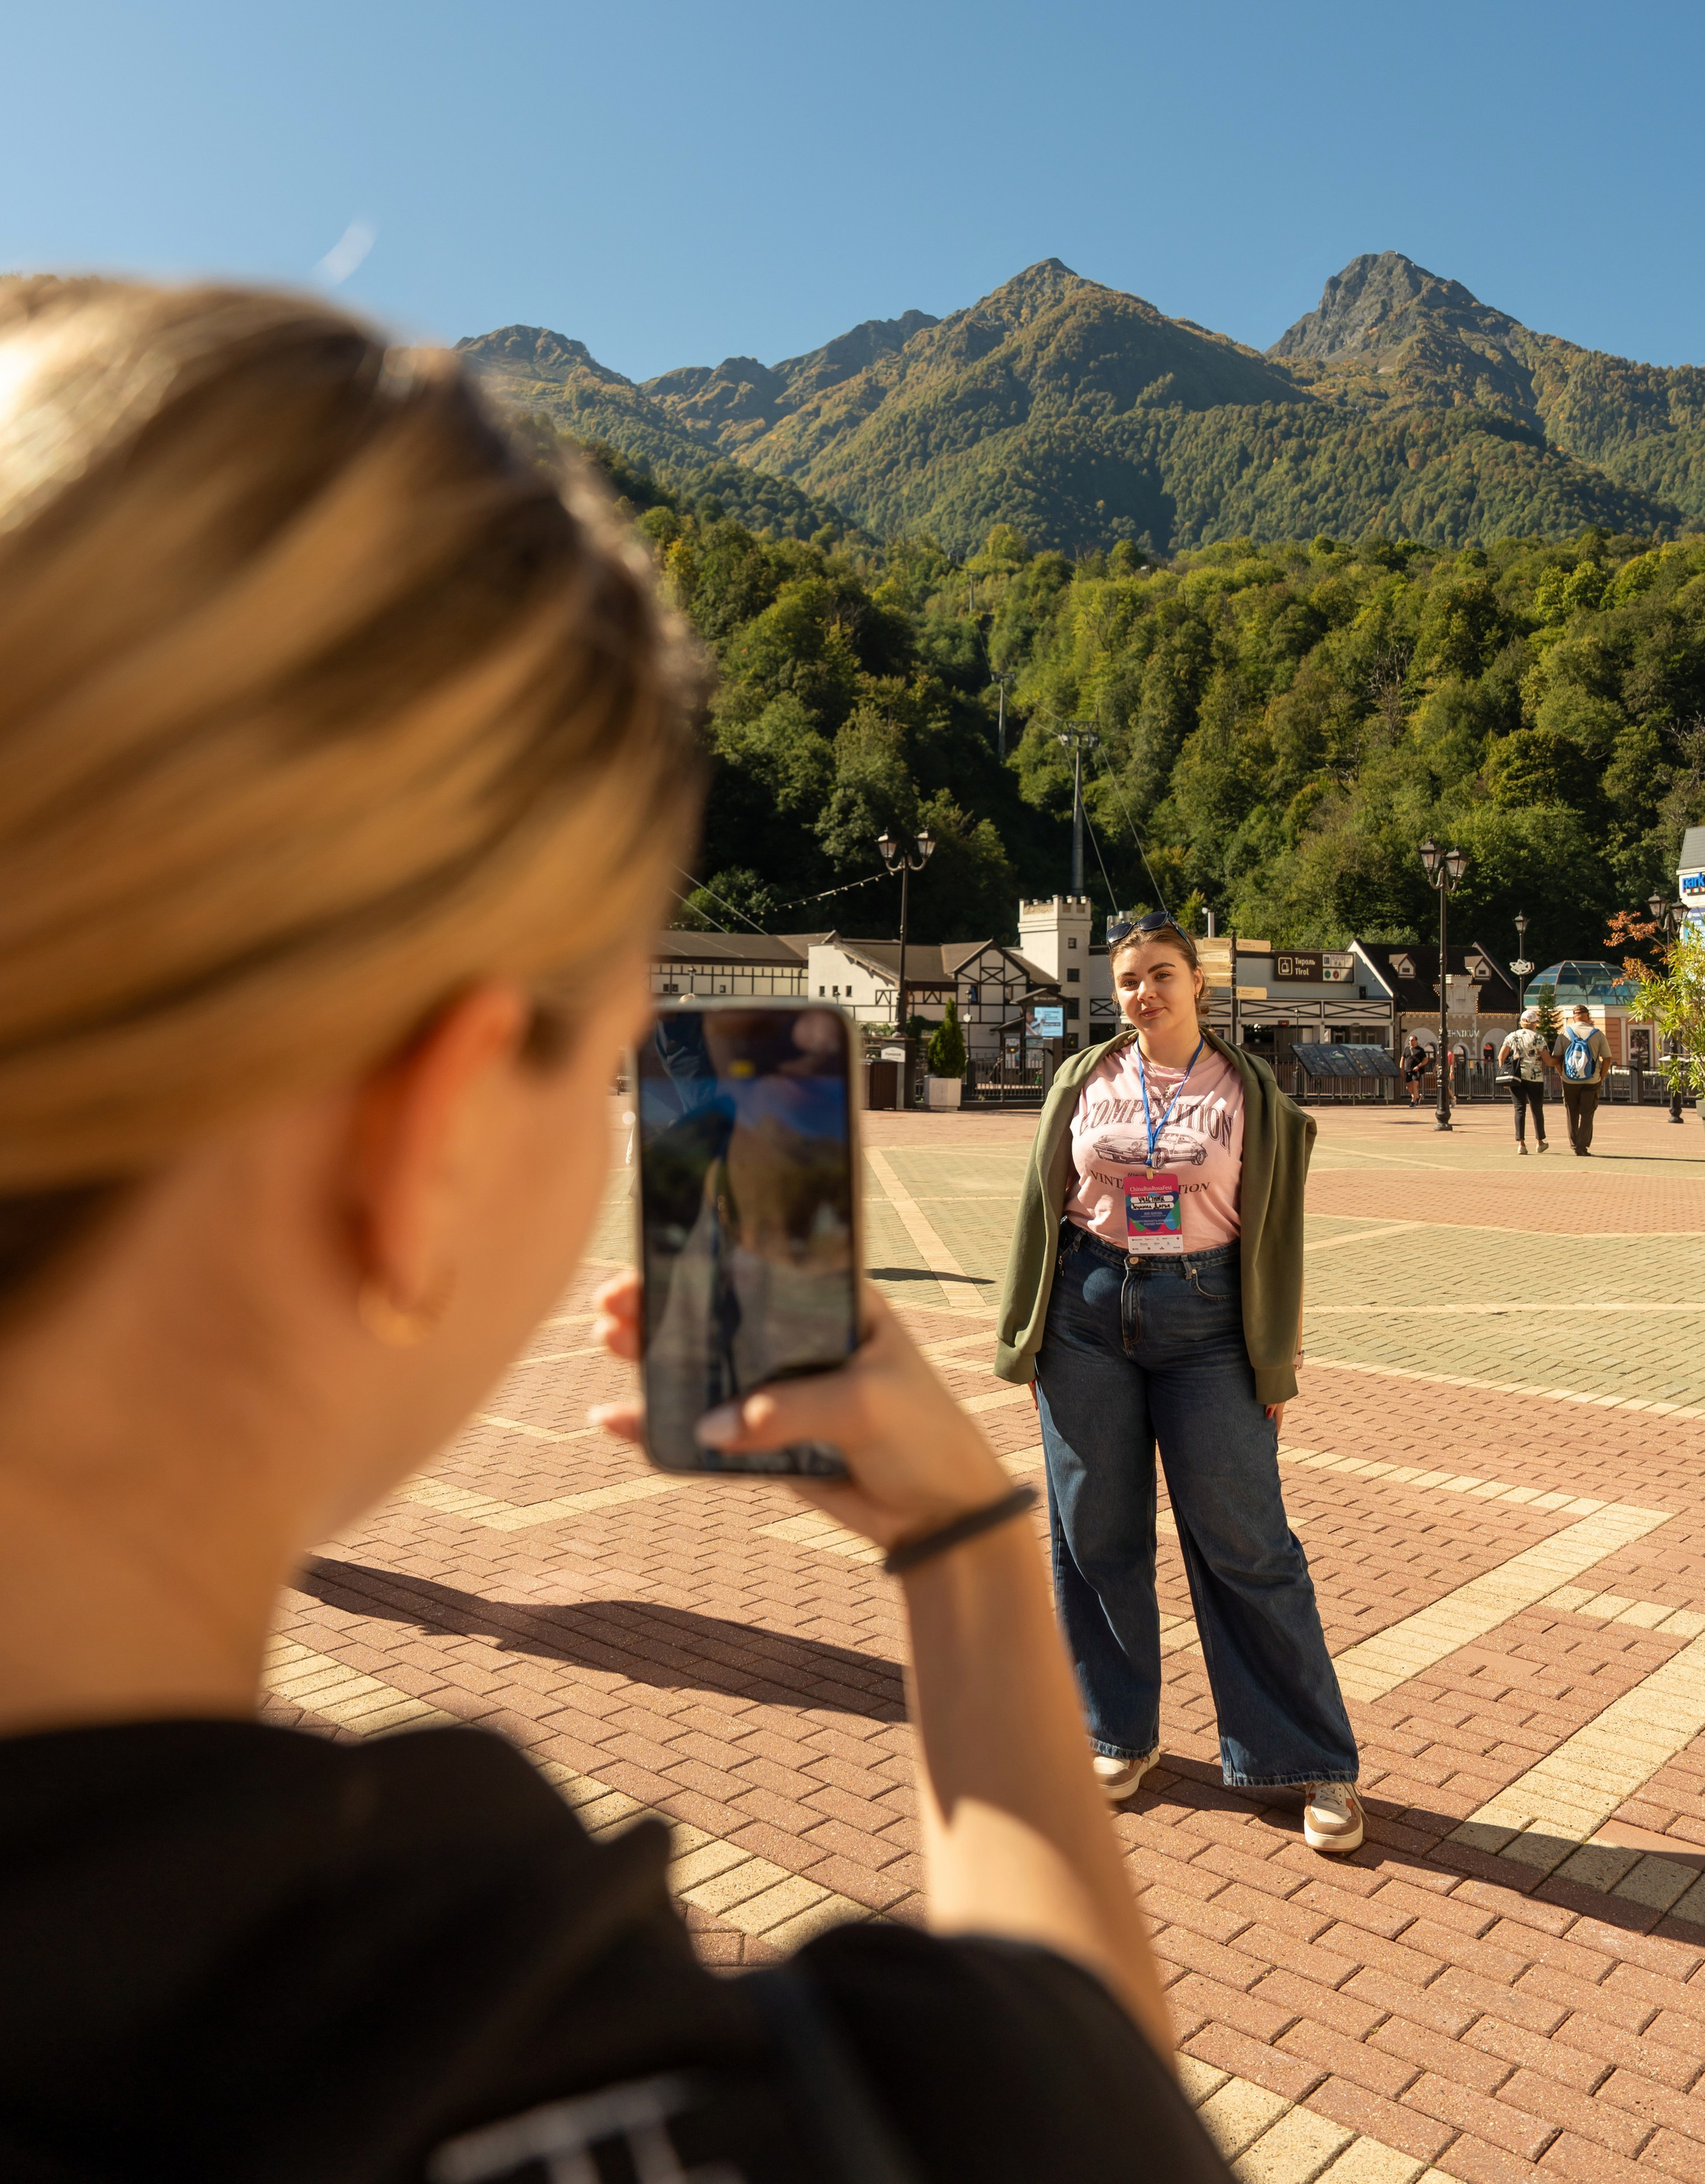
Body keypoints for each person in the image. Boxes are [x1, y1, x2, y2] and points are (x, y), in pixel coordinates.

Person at [0, 280, 1224, 2181]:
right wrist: (970, 1552)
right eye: (586, 1054)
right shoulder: (623, 2089)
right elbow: (1067, 2090)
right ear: (417, 1141)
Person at [994, 911, 1363, 1854]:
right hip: (1089, 1307)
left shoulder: (1247, 1089)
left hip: (1206, 1321)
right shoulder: (1087, 1077)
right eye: (1127, 979)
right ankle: (1116, 1733)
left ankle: (1309, 1757)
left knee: (1247, 1540)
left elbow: (1277, 1235)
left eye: (1162, 973)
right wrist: (1030, 1337)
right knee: (1093, 1534)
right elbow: (1046, 1205)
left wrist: (1272, 1356)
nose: (1143, 992)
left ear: (1199, 982)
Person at [1557, 1003, 1613, 1156]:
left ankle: (1574, 1145)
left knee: (1572, 1112)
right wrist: (1600, 1077)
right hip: (1591, 1080)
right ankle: (1582, 1147)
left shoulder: (1565, 1033)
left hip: (1569, 1080)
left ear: (1574, 1018)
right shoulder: (1597, 1034)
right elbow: (1607, 1058)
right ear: (1588, 1017)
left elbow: (1556, 1057)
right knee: (1587, 1113)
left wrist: (1562, 1073)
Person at [1498, 1009, 1550, 1155]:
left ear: (1522, 1022)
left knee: (1519, 1109)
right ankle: (1540, 1142)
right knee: (1537, 1110)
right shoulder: (1539, 1039)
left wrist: (1505, 1074)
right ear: (1534, 1024)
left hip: (1516, 1077)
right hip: (1535, 1078)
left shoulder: (1512, 1036)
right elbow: (1547, 1060)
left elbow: (1501, 1056)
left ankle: (1521, 1143)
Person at [1400, 1032, 1429, 1107]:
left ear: (1416, 1041)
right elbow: (1402, 1059)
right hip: (1409, 1070)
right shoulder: (1406, 1049)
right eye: (1410, 1040)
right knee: (1408, 1087)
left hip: (1417, 1071)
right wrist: (1401, 1069)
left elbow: (1425, 1060)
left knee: (1414, 1085)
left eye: (1412, 1040)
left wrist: (1419, 1066)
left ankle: (1413, 1102)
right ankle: (1417, 1097)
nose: (1411, 1042)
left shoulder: (1420, 1050)